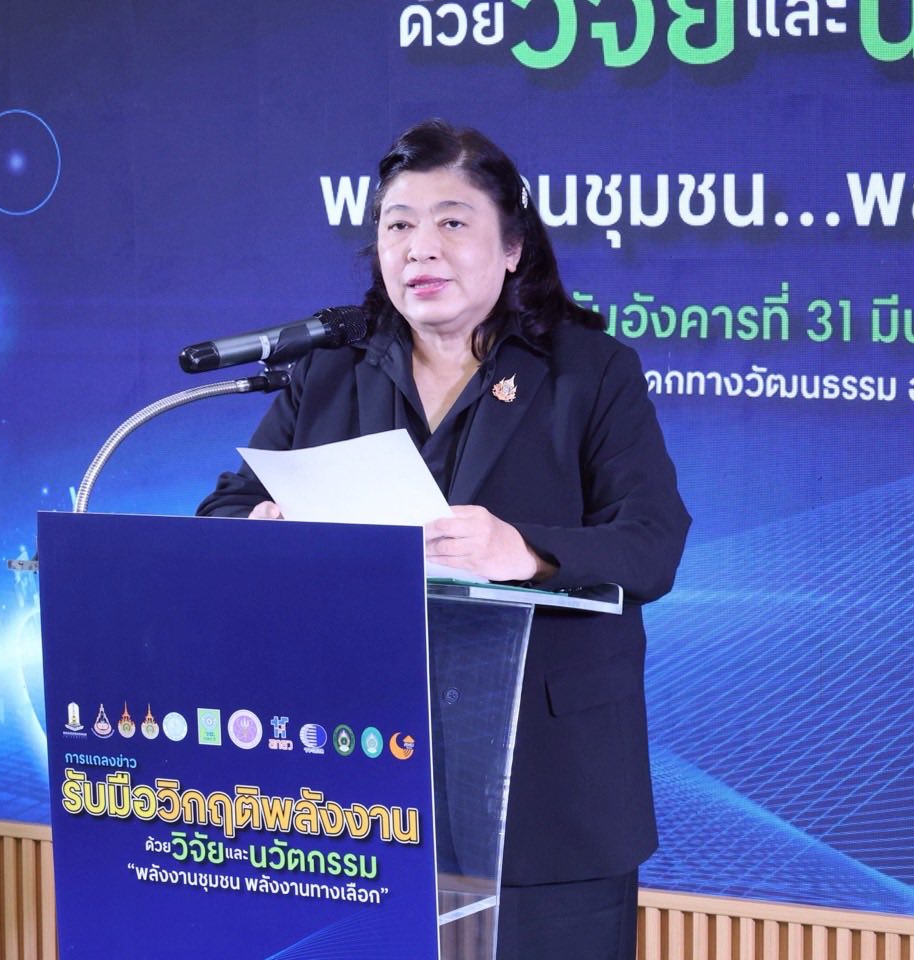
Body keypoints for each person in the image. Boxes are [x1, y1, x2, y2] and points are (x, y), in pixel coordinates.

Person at [197, 119, 690, 959]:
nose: (420, 247)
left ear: (512, 247)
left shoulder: (589, 370)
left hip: (548, 791)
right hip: (362, 784)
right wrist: (257, 529)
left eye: (452, 222)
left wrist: (525, 553)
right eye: (398, 225)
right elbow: (227, 506)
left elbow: (652, 541)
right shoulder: (330, 369)